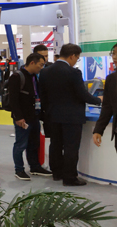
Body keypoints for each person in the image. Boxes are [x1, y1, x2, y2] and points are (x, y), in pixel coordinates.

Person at [40, 43, 102, 186]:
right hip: (72, 117)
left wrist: (48, 112)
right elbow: (82, 94)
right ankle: (70, 177)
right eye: (77, 58)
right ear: (72, 56)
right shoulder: (74, 73)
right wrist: (98, 100)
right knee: (71, 147)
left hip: (53, 115)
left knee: (55, 144)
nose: (76, 61)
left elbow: (43, 95)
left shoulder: (45, 72)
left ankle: (57, 173)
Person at [8, 53, 52, 180]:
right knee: (21, 144)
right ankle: (19, 169)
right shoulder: (17, 77)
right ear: (32, 63)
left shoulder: (34, 77)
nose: (41, 68)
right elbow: (13, 100)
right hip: (23, 118)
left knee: (34, 143)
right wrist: (18, 117)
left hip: (34, 116)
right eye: (40, 65)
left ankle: (35, 167)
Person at [93, 43, 117, 152]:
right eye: (113, 53)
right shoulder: (111, 79)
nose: (115, 57)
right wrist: (98, 129)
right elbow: (107, 106)